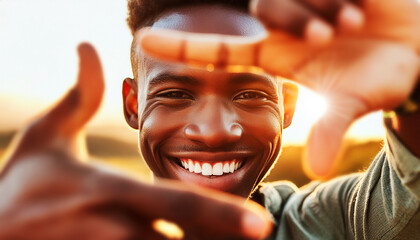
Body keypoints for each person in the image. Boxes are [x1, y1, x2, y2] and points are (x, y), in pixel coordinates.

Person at [0, 0, 419, 239]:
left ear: (286, 106)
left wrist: (413, 87)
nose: (216, 131)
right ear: (133, 105)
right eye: (176, 95)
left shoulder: (330, 223)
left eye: (250, 94)